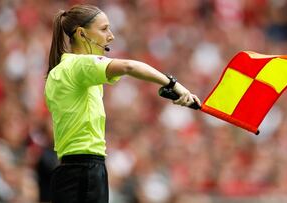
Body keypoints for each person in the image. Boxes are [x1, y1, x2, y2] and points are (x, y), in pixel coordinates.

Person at [44, 4, 201, 203]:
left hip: (72, 170)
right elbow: (129, 66)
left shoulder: (60, 71)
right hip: (85, 171)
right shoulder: (78, 65)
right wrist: (175, 85)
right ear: (82, 34)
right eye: (103, 29)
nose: (110, 36)